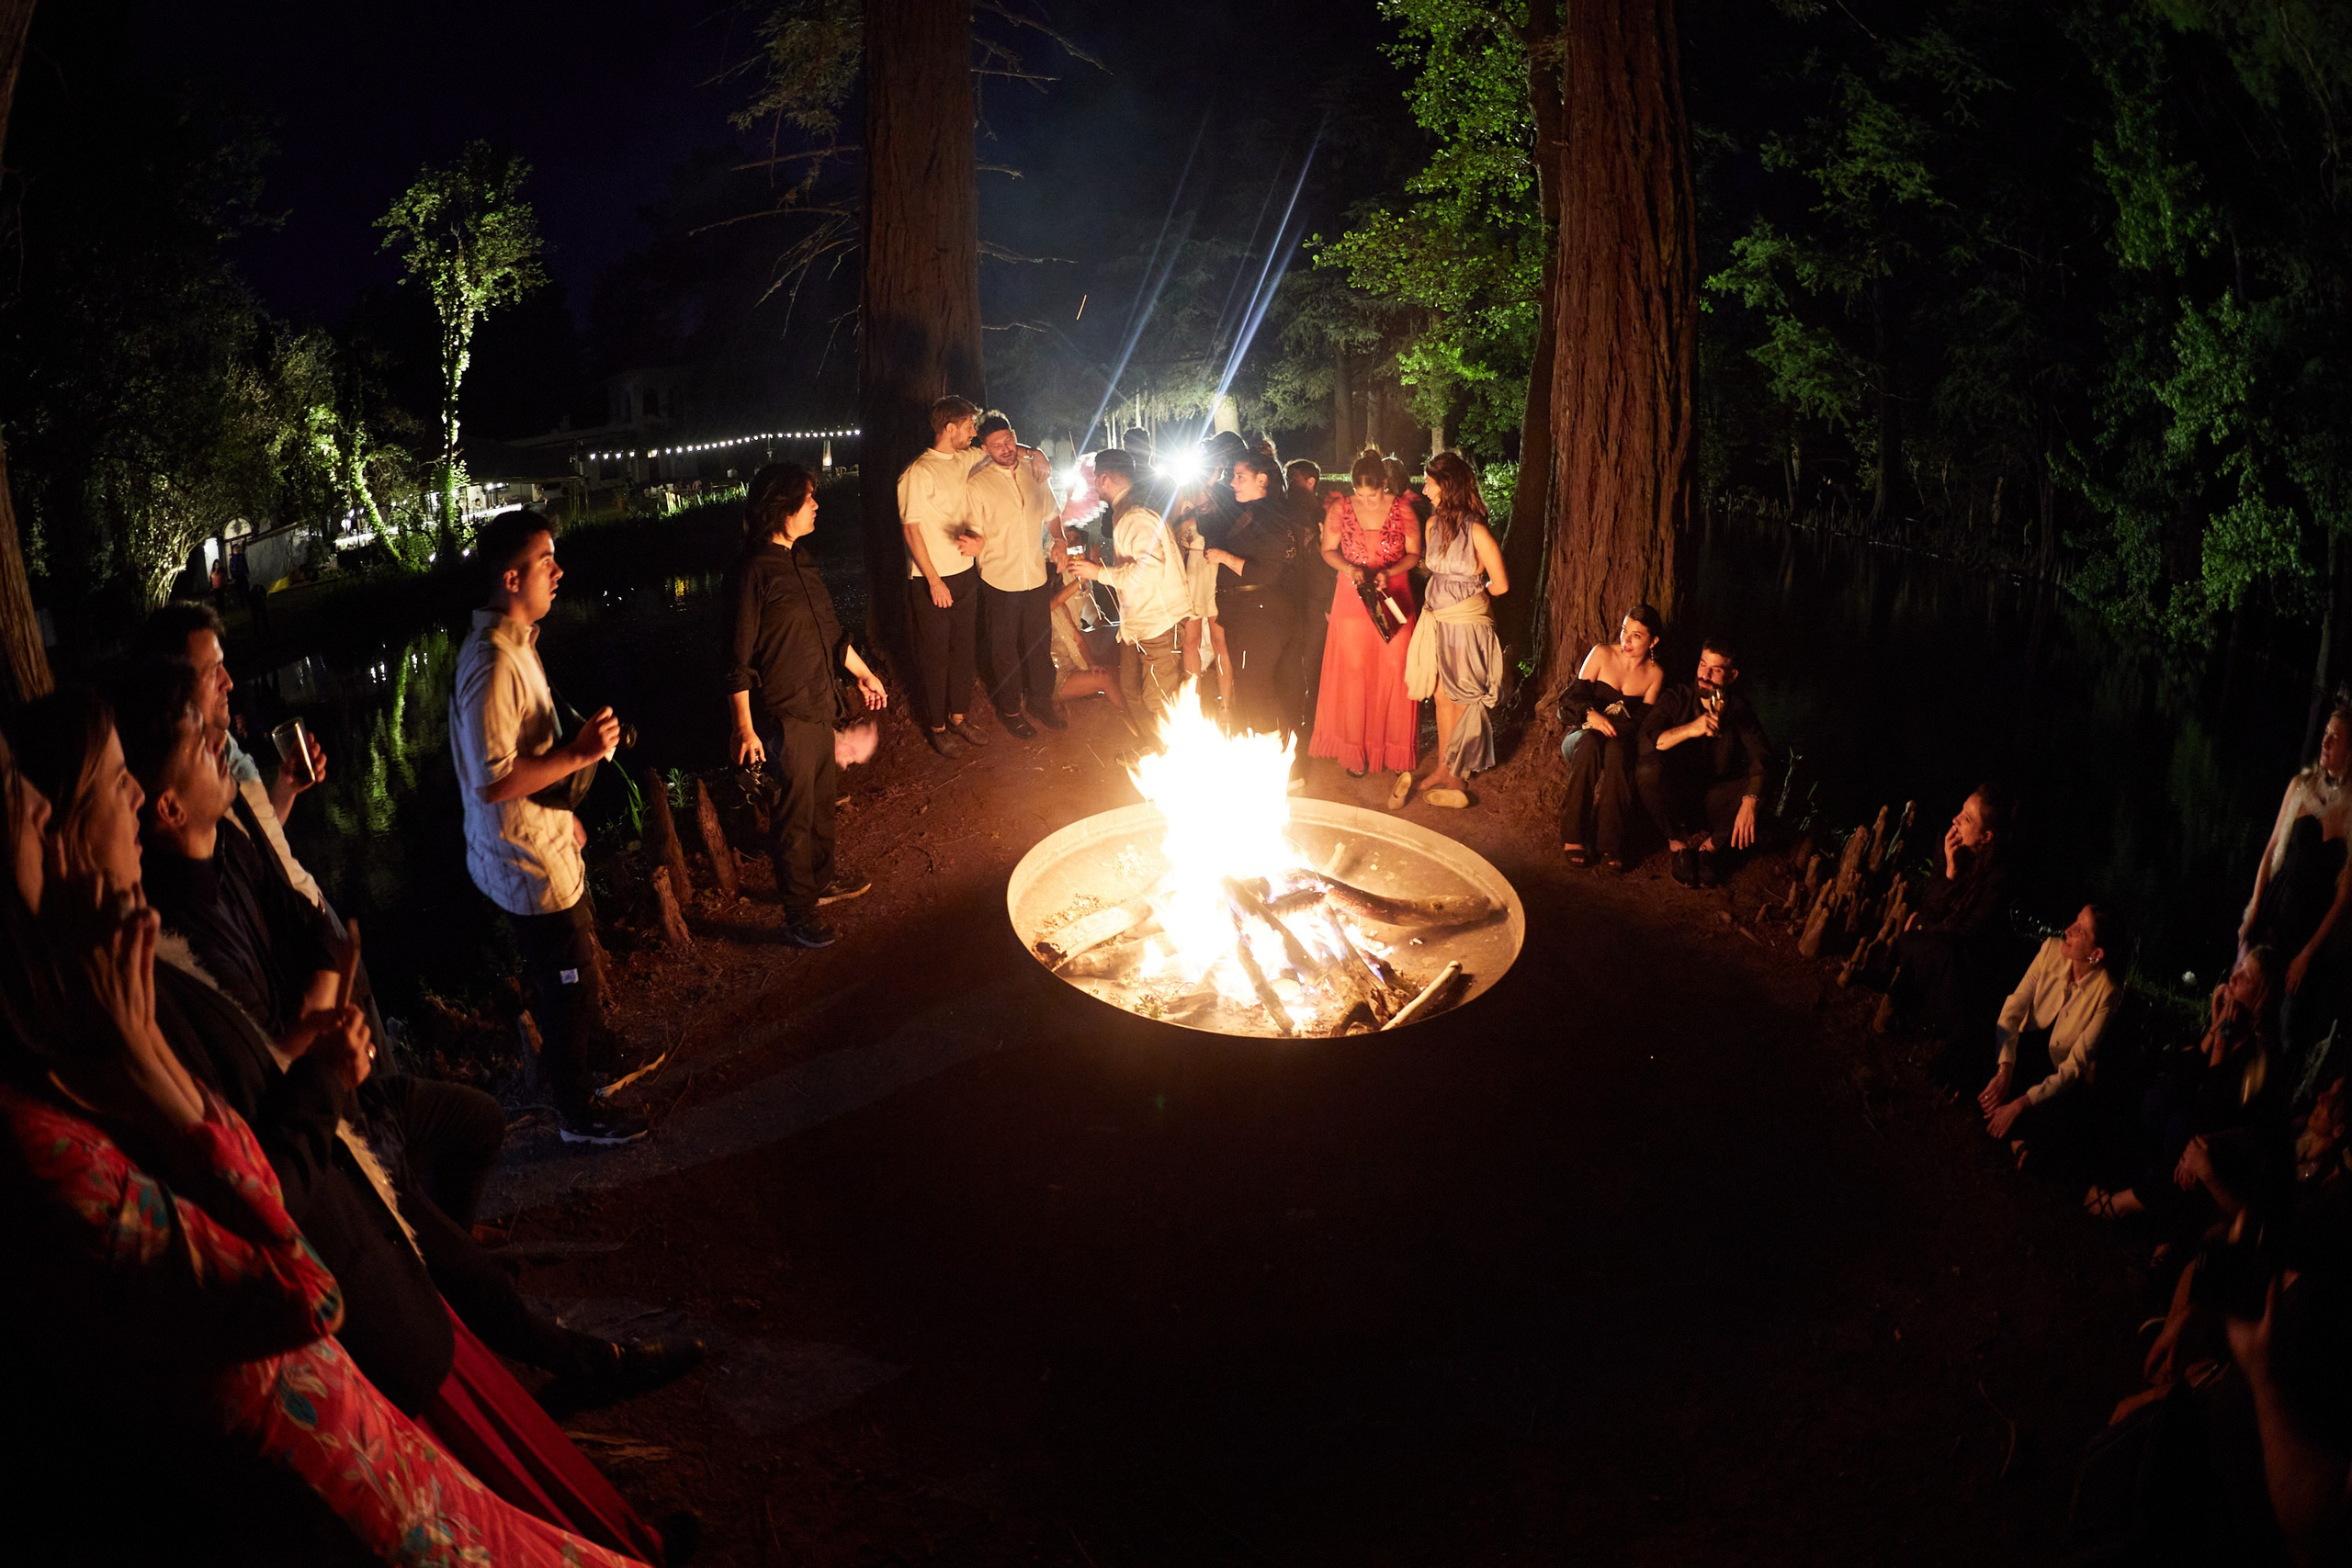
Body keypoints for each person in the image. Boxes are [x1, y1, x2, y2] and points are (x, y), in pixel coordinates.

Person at [0, 730, 662, 1568]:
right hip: (315, 1441)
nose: (127, 798)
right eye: (34, 809)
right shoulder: (72, 1094)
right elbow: (289, 1274)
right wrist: (204, 1070)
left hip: (341, 1378)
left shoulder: (140, 975)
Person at [450, 509, 652, 1147]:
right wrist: (582, 753)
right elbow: (492, 778)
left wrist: (566, 813)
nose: (558, 571)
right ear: (512, 577)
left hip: (543, 845)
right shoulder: (492, 664)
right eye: (546, 561)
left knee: (578, 968)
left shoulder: (517, 643)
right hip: (523, 863)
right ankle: (576, 1112)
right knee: (562, 989)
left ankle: (592, 1064)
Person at [723, 463, 887, 951]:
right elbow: (736, 659)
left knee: (820, 806)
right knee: (793, 819)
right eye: (808, 498)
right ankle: (799, 913)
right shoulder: (753, 572)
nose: (816, 505)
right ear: (782, 506)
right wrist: (744, 729)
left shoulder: (803, 561)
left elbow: (832, 637)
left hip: (820, 705)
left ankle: (822, 881)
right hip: (784, 714)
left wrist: (863, 673)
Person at [2244, 705, 2352, 1097]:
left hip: (2310, 933)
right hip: (2277, 913)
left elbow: (2343, 896)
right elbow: (2272, 850)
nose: (2325, 741)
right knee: (2249, 1006)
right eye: (2325, 732)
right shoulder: (2301, 787)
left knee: (2287, 1032)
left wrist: (2307, 955)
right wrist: (2255, 909)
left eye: (2336, 737)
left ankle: (2267, 1104)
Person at [1307, 446, 1422, 803]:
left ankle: (1391, 749)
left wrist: (1389, 571)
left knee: (1393, 668)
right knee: (1355, 672)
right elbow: (1328, 550)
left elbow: (1415, 553)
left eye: (1373, 494)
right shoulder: (1340, 508)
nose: (1366, 499)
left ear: (1385, 484)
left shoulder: (1403, 508)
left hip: (1394, 594)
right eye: (1360, 492)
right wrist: (1349, 568)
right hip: (1353, 596)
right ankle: (1355, 750)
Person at [1977, 903, 2123, 1171]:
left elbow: (2075, 1065)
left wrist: (2020, 1104)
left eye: (2080, 930)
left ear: (2096, 953)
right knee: (1985, 1051)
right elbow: (2013, 1010)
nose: (2068, 929)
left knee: (2061, 1119)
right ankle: (2013, 1131)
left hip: (2050, 1070)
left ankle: (2014, 1126)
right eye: (2074, 920)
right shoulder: (2050, 950)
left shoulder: (2107, 992)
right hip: (2022, 1049)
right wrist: (2005, 1069)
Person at [1402, 451, 1509, 809]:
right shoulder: (1433, 525)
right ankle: (1443, 767)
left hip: (1465, 622)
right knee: (1443, 695)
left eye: (1429, 482)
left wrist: (1470, 599)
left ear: (1446, 485)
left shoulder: (1477, 529)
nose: (1425, 488)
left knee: (1463, 696)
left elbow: (1501, 584)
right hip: (1437, 619)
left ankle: (1458, 776)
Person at [1894, 785, 2014, 1086]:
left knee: (1934, 947)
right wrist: (1948, 871)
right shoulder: (1949, 844)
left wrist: (1924, 928)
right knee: (1912, 939)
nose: (1956, 820)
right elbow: (1929, 909)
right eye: (1961, 811)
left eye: (1968, 819)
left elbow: (1969, 934)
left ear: (1987, 837)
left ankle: (1955, 1045)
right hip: (1939, 943)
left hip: (1965, 961)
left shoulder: (1998, 876)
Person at [1065, 447, 1191, 736]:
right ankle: (1153, 748)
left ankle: (1173, 759)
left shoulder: (1134, 514)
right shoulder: (1128, 510)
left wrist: (1097, 573)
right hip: (1138, 624)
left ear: (1106, 478)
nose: (1095, 485)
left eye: (1096, 479)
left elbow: (1150, 570)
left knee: (1159, 699)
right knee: (1131, 689)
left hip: (1159, 621)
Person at [1635, 636, 1769, 887]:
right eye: (1702, 664)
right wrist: (1691, 728)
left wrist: (1751, 801)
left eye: (1715, 670)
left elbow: (1761, 757)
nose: (1705, 675)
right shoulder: (1677, 697)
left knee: (1759, 785)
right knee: (1647, 769)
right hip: (1677, 795)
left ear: (1732, 675)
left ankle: (1710, 849)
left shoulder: (1739, 710)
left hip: (1712, 799)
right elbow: (1648, 740)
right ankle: (1678, 845)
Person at [967, 412, 1068, 738]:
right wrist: (973, 542)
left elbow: (1051, 513)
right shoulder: (978, 483)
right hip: (999, 579)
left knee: (1040, 642)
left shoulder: (1033, 471)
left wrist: (1060, 539)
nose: (1005, 449)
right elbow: (974, 529)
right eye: (996, 446)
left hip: (1035, 575)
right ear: (985, 448)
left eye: (1008, 441)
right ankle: (1011, 709)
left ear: (1014, 436)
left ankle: (1040, 701)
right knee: (1004, 649)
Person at [899, 395, 989, 756]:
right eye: (969, 426)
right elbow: (911, 530)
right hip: (931, 580)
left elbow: (997, 448)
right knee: (936, 655)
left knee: (963, 649)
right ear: (949, 428)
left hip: (964, 572)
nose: (974, 432)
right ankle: (937, 726)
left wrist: (1037, 455)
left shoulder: (964, 458)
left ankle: (958, 716)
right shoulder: (917, 473)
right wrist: (934, 580)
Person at [1208, 451, 1306, 744]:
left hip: (1261, 615)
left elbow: (1266, 573)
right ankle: (1273, 755)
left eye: (1240, 477)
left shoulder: (1272, 516)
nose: (1233, 483)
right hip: (1244, 612)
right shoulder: (1248, 511)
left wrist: (1225, 557)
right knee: (1253, 685)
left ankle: (1277, 760)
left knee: (1256, 686)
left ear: (1262, 479)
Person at [1559, 606, 1667, 870]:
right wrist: (1591, 714)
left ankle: (1609, 842)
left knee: (1618, 752)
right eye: (1623, 631)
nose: (1626, 641)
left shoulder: (1655, 675)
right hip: (1581, 735)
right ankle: (1573, 837)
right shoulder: (1601, 654)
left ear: (1653, 642)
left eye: (1636, 636)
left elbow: (1643, 721)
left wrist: (1618, 730)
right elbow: (1569, 702)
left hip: (1619, 741)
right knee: (1590, 744)